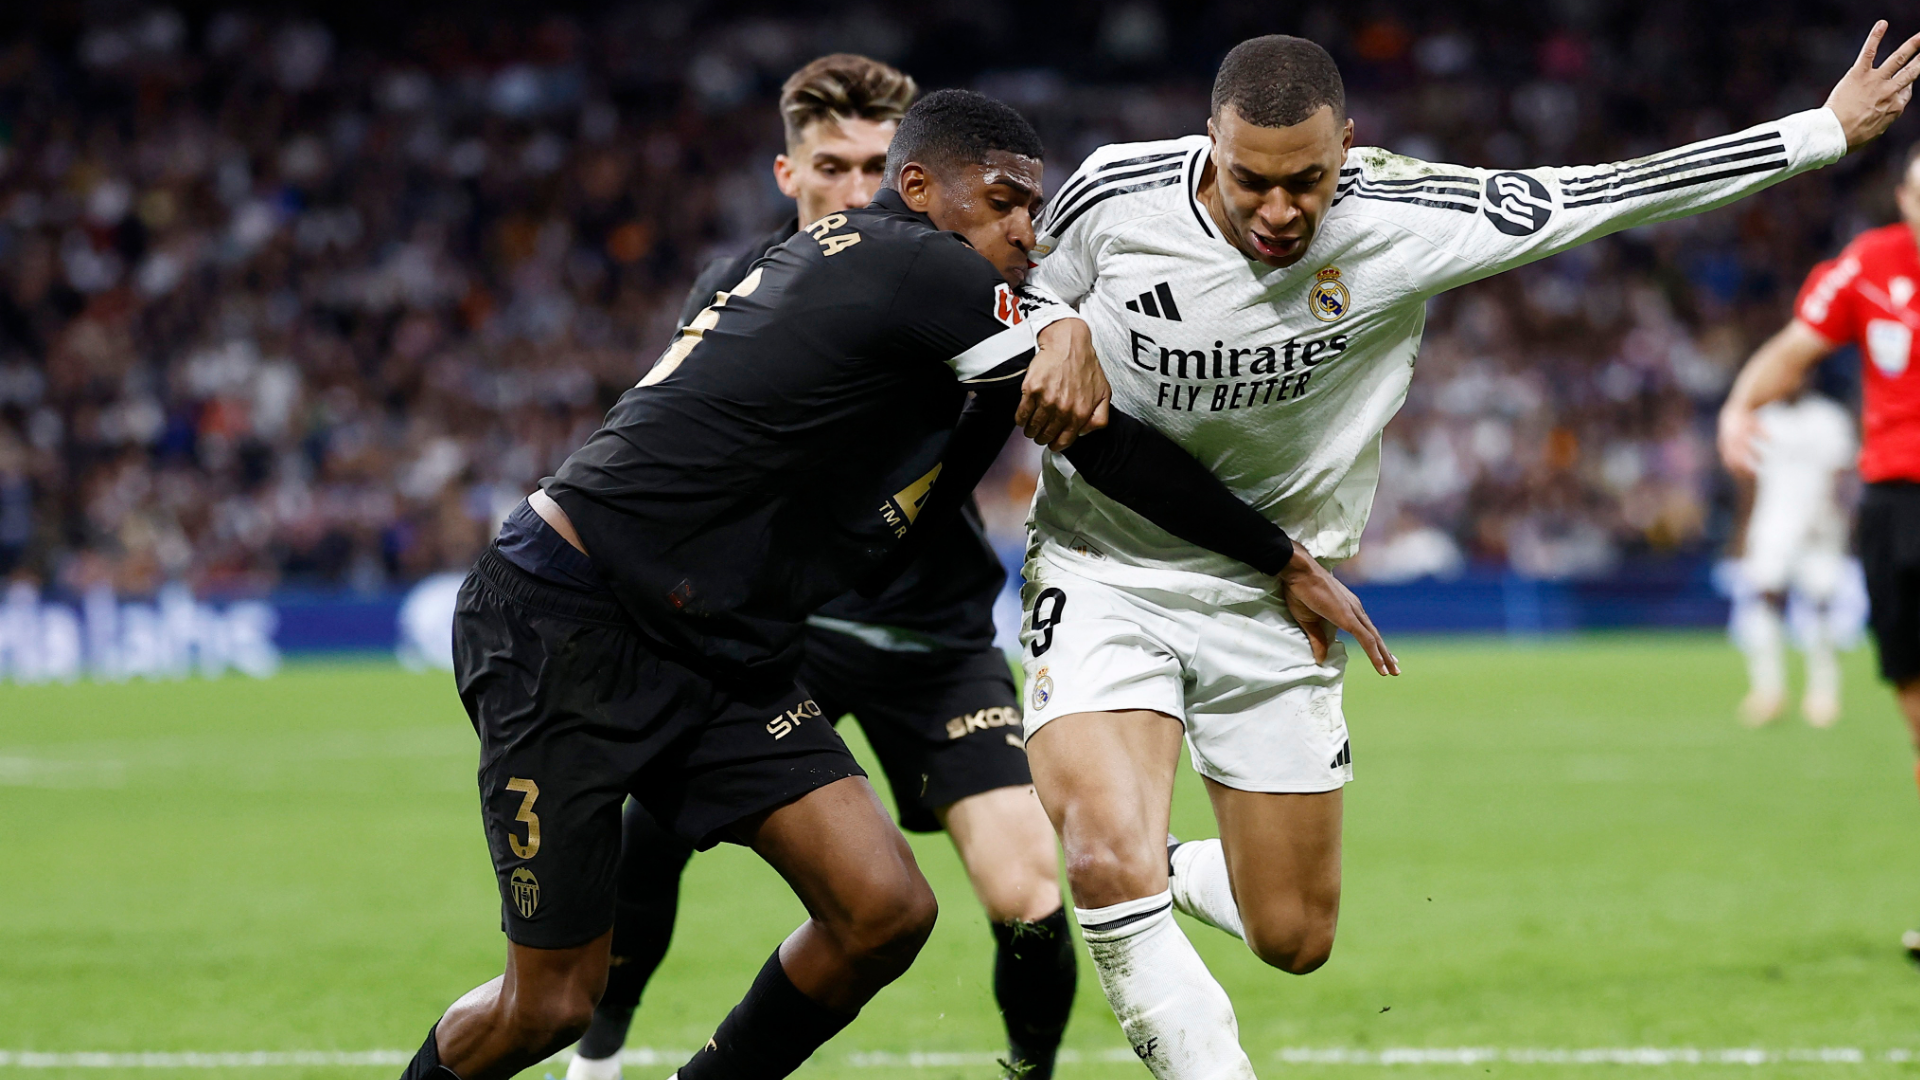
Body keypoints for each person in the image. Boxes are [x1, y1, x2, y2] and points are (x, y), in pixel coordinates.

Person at [1020, 27, 1920, 1077]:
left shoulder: (1409, 215)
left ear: (1347, 148)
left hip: (1283, 593)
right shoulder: (1114, 193)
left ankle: (1161, 863)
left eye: (1306, 182)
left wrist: (1820, 132)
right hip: (1105, 564)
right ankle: (1132, 871)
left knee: (1294, 937)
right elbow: (1011, 276)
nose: (1278, 211)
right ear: (1209, 143)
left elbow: (1611, 191)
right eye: (1249, 181)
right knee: (1102, 860)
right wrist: (1054, 321)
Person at [399, 89, 1340, 1080]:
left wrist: (1057, 321)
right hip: (571, 620)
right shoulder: (916, 262)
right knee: (548, 1005)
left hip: (719, 641)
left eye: (1035, 207)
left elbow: (1011, 397)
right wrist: (1281, 559)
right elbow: (1099, 442)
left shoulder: (876, 270)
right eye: (1005, 201)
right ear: (919, 186)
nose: (1028, 229)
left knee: (882, 910)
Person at [567, 56, 1077, 1080]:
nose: (855, 188)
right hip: (788, 629)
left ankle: (1031, 1073)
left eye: (874, 167)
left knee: (1027, 894)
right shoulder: (744, 289)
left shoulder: (964, 280)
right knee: (651, 828)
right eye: (832, 166)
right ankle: (597, 1056)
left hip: (934, 633)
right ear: (788, 174)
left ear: (912, 175)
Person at [1719, 139, 1920, 955]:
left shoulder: (1830, 424)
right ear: (1903, 199)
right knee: (1915, 712)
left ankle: (1809, 689)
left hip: (1846, 524)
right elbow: (1796, 345)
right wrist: (1739, 404)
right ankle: (1778, 689)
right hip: (1894, 509)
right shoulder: (1870, 265)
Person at [1728, 391, 1857, 728]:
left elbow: (1843, 478)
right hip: (1773, 525)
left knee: (1821, 606)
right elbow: (1750, 481)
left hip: (1819, 526)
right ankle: (1768, 691)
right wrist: (1743, 529)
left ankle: (1823, 693)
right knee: (1765, 600)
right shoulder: (1763, 419)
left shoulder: (1828, 418)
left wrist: (1842, 521)